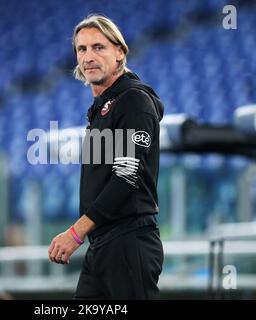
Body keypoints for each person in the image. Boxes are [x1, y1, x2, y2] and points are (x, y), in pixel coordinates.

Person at [47, 15, 164, 299]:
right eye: (81, 49)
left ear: (120, 52)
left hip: (129, 242)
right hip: (103, 244)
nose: (88, 56)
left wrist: (75, 234)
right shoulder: (104, 107)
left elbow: (125, 179)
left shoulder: (133, 101)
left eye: (98, 47)